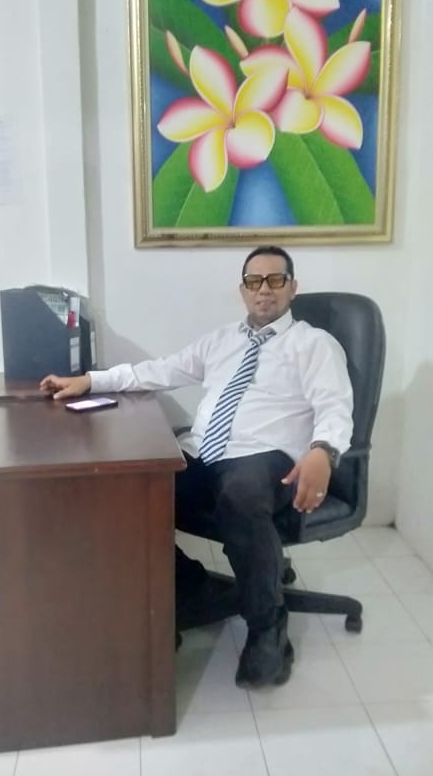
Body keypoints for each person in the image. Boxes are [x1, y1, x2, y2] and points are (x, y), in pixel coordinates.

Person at [40, 246, 353, 688]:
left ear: (292, 287)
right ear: (243, 290)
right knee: (129, 488)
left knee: (240, 497)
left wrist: (324, 450)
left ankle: (267, 627)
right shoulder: (221, 340)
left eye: (275, 280)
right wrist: (91, 380)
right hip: (204, 452)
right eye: (254, 281)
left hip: (265, 459)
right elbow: (159, 371)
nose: (264, 289)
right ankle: (192, 585)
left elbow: (335, 407)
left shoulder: (314, 344)